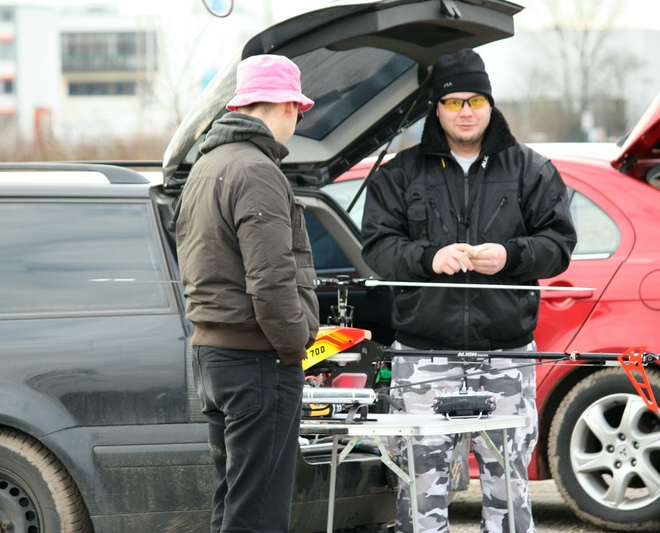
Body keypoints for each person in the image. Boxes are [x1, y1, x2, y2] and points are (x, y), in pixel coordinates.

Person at [361, 48, 577, 532]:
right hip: (424, 354)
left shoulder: (531, 169)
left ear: (490, 104)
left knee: (509, 480)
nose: (465, 111)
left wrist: (511, 256)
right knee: (420, 481)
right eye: (453, 101)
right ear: (436, 108)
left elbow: (559, 244)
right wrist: (428, 258)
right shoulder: (400, 173)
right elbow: (377, 247)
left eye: (475, 100)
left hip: (506, 354)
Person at [175, 54, 319, 533]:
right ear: (288, 106)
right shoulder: (256, 171)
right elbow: (271, 279)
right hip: (257, 360)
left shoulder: (206, 165)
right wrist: (294, 348)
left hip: (213, 357)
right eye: (299, 112)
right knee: (258, 514)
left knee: (234, 505)